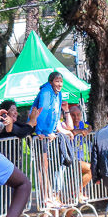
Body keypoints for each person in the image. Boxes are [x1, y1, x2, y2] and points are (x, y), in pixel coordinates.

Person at [28, 71, 66, 205]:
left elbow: (55, 115)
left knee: (46, 166)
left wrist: (54, 131)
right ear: (51, 82)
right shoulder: (46, 92)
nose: (59, 84)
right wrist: (39, 131)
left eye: (61, 81)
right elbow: (42, 112)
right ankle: (45, 197)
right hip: (38, 132)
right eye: (57, 81)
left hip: (47, 133)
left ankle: (49, 195)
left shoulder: (58, 94)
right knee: (42, 166)